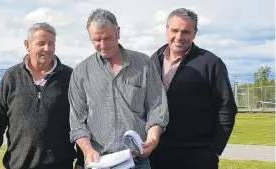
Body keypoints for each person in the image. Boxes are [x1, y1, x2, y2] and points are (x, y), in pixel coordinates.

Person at [68, 8, 169, 169]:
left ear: (118, 32)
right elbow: (77, 122)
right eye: (96, 40)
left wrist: (153, 139)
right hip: (99, 161)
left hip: (138, 160)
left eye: (108, 38)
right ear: (90, 38)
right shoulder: (81, 72)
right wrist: (88, 151)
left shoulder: (143, 64)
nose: (103, 45)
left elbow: (157, 107)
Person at [0, 23, 83, 169]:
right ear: (27, 44)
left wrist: (81, 161)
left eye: (51, 44)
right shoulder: (12, 77)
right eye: (41, 43)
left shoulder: (70, 77)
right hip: (17, 165)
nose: (47, 49)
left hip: (61, 165)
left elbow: (82, 122)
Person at [149, 8, 238, 169]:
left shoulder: (210, 63)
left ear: (194, 33)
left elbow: (227, 107)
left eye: (186, 32)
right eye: (174, 30)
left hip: (197, 156)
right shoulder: (154, 61)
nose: (179, 37)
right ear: (166, 30)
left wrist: (214, 150)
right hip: (158, 154)